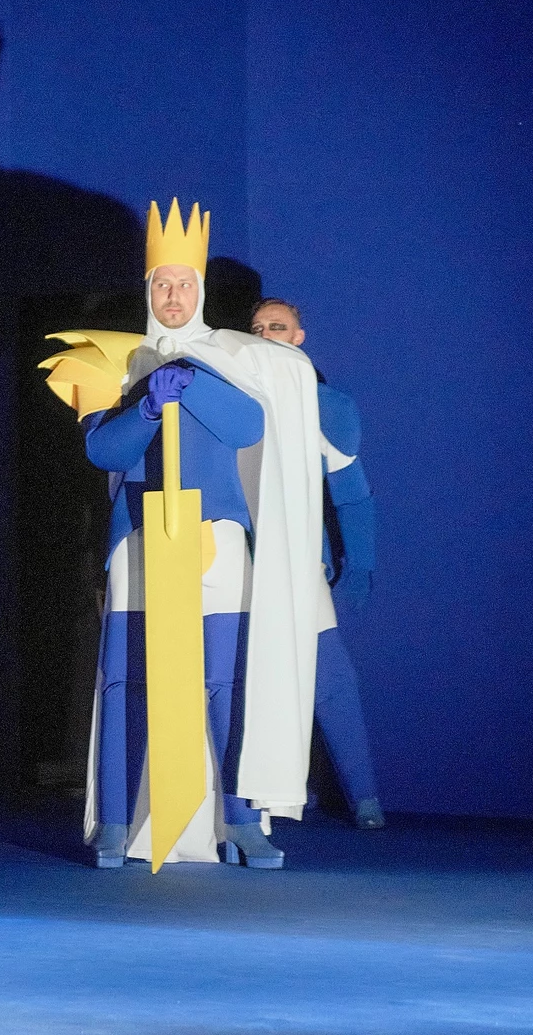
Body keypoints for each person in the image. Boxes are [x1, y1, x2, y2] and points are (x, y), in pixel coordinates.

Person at [82, 200, 321, 870]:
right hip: (140, 541)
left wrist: (194, 386)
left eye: (183, 283)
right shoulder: (119, 360)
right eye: (162, 283)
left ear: (201, 290)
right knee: (126, 684)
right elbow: (102, 450)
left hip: (217, 540)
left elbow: (248, 426)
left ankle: (241, 822)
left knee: (225, 683)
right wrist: (149, 406)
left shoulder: (234, 355)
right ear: (148, 289)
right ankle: (115, 822)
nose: (173, 295)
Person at [250, 299, 383, 828]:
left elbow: (352, 494)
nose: (266, 335)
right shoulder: (231, 392)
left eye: (277, 327)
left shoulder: (325, 406)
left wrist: (360, 563)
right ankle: (263, 794)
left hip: (298, 558)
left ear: (298, 336)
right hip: (235, 556)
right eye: (257, 328)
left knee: (328, 676)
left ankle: (364, 795)